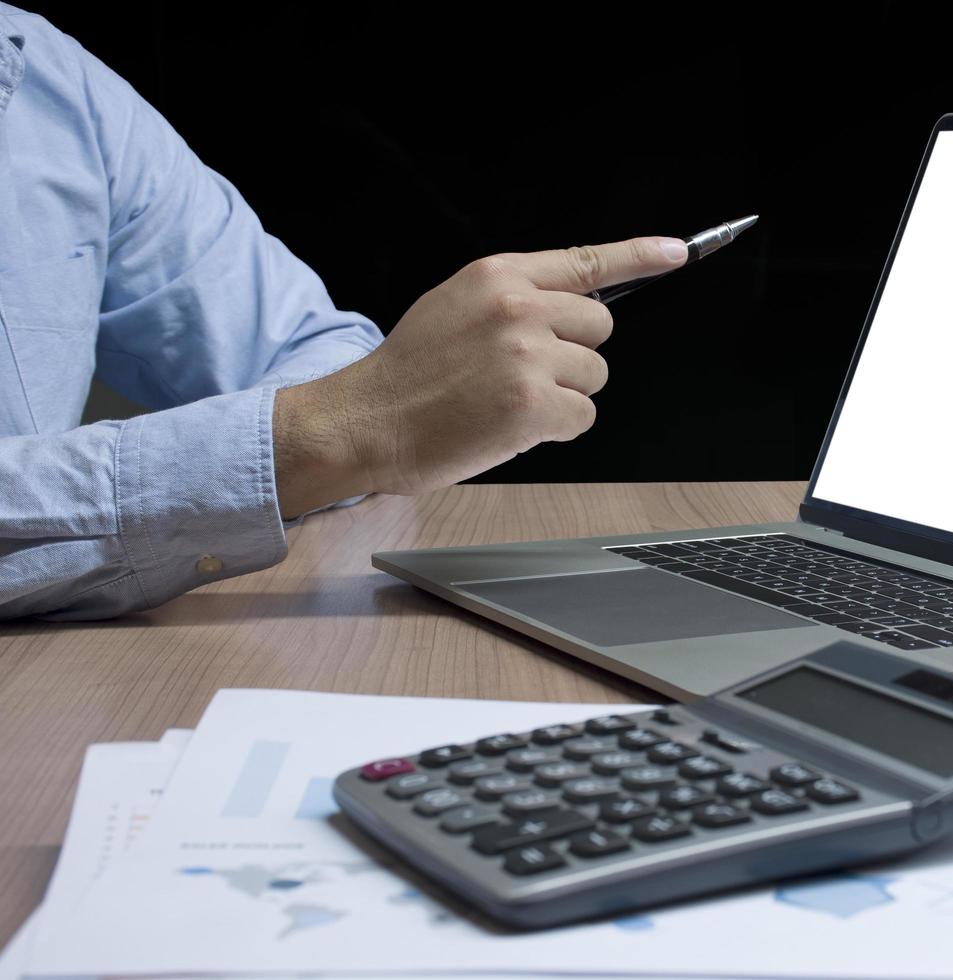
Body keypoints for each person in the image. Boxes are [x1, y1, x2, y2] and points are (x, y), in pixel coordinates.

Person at [0, 5, 687, 619]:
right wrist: (326, 439)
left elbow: (316, 344)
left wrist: (347, 418)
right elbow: (341, 408)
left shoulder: (58, 87)